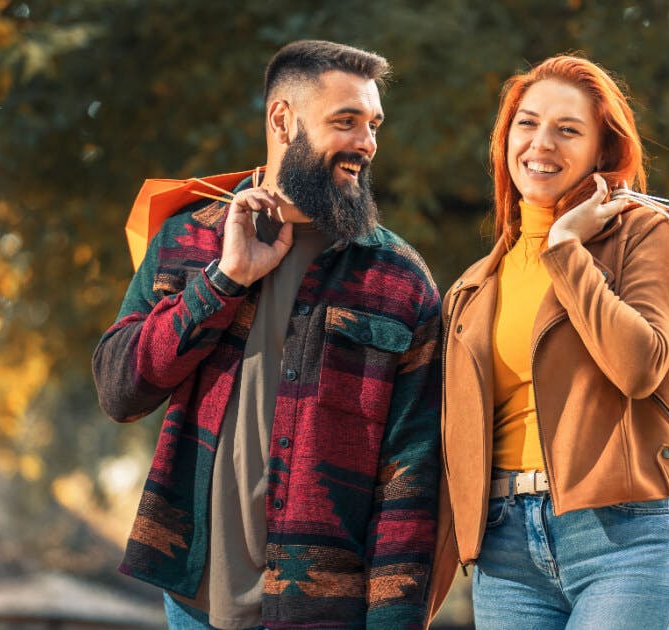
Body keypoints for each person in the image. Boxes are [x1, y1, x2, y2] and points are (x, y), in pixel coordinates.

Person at [93, 40, 441, 629]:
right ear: (283, 120)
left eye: (374, 124)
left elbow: (411, 476)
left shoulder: (400, 281)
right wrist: (223, 280)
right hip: (195, 603)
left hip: (324, 610)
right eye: (346, 121)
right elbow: (120, 390)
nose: (367, 142)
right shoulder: (187, 240)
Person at [428, 55, 669, 629]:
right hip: (505, 548)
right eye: (527, 123)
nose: (542, 143)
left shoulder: (643, 234)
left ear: (601, 153)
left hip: (627, 533)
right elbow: (451, 447)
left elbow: (641, 365)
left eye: (568, 129)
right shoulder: (472, 288)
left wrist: (565, 248)